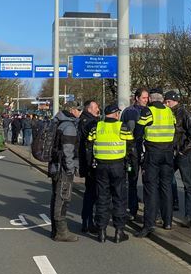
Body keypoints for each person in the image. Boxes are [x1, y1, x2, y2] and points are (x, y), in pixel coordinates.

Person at [87, 103, 133, 243]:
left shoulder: (97, 127)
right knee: (119, 198)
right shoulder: (122, 127)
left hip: (101, 167)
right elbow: (131, 145)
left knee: (102, 198)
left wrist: (91, 164)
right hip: (118, 166)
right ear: (116, 114)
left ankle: (101, 231)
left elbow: (89, 145)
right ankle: (119, 231)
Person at [136, 88, 176, 237]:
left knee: (151, 189)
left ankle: (149, 224)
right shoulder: (168, 111)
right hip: (168, 153)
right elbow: (174, 129)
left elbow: (138, 132)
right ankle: (168, 221)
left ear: (151, 99)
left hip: (153, 153)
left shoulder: (148, 112)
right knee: (166, 187)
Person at [49, 100, 82, 242]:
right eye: (79, 110)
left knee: (56, 197)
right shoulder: (69, 127)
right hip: (63, 168)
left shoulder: (57, 122)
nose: (80, 113)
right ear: (73, 110)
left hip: (55, 166)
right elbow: (68, 151)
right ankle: (61, 232)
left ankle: (55, 229)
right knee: (63, 198)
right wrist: (70, 169)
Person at [165, 90, 191, 228]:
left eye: (167, 102)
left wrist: (182, 151)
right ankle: (167, 211)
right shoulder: (170, 113)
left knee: (187, 185)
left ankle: (189, 216)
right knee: (166, 180)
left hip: (182, 153)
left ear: (172, 101)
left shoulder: (185, 113)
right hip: (174, 152)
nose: (166, 104)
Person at [120, 87, 150, 222]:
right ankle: (133, 210)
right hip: (134, 152)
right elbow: (131, 132)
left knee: (146, 182)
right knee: (132, 181)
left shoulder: (143, 110)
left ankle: (137, 211)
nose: (146, 100)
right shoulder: (132, 112)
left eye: (147, 98)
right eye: (144, 98)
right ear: (137, 98)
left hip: (143, 151)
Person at [76, 100, 101, 233]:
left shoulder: (83, 120)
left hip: (86, 163)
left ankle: (87, 221)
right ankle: (89, 222)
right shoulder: (90, 122)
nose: (98, 110)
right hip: (91, 164)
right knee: (92, 194)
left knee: (89, 193)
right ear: (89, 108)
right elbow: (89, 146)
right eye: (96, 107)